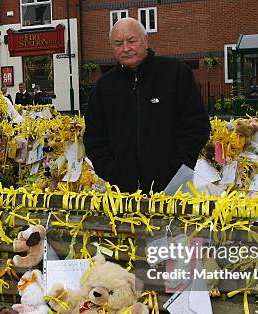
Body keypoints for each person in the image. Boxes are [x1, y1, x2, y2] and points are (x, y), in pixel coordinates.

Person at [84, 18, 210, 193]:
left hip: (173, 189)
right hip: (122, 193)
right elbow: (94, 137)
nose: (126, 48)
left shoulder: (176, 74)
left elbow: (197, 126)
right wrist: (112, 173)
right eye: (118, 43)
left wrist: (175, 168)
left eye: (131, 41)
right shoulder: (104, 87)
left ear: (145, 41)